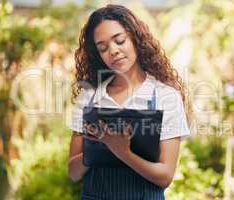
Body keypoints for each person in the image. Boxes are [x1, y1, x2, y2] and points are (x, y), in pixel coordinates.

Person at [68, 4, 191, 200]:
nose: (113, 51)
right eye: (103, 48)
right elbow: (73, 173)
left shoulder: (165, 97)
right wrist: (97, 148)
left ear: (135, 38)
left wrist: (121, 151)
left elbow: (165, 176)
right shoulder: (88, 99)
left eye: (119, 40)